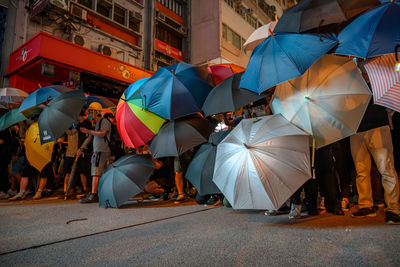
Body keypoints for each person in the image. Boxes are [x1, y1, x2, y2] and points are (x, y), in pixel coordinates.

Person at [350, 97, 400, 224]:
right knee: (361, 171)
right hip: (356, 130)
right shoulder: (352, 81)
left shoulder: (378, 79)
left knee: (386, 169)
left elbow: (392, 103)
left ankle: (393, 209)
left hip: (378, 125)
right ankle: (366, 205)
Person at [77, 102, 111, 203]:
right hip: (99, 150)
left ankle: (93, 194)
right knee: (100, 172)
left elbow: (103, 133)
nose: (90, 114)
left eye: (91, 112)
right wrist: (81, 148)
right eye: (89, 112)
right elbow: (90, 137)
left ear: (97, 112)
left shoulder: (104, 121)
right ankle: (98, 193)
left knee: (96, 172)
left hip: (102, 150)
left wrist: (88, 131)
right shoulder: (96, 124)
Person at [61, 111, 91, 199]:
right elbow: (71, 133)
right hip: (79, 150)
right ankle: (84, 190)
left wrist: (82, 148)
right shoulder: (78, 125)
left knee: (84, 172)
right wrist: (64, 127)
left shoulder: (87, 123)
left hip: (86, 150)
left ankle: (87, 190)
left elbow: (89, 137)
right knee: (81, 172)